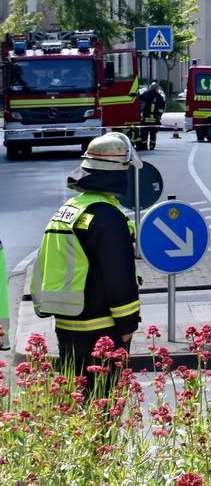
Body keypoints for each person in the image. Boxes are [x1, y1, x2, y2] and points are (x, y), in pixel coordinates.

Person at [31, 132, 141, 392]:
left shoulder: (67, 210)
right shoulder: (108, 216)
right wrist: (127, 326)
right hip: (102, 329)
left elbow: (43, 262)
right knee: (105, 409)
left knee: (77, 408)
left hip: (66, 326)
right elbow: (119, 276)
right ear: (117, 172)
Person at [139, 81, 166, 150]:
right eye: (153, 87)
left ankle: (152, 145)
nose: (154, 88)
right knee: (144, 133)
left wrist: (159, 115)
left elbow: (162, 106)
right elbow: (139, 100)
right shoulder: (145, 94)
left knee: (153, 134)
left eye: (155, 87)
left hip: (154, 118)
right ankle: (144, 146)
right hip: (145, 117)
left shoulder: (158, 96)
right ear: (150, 87)